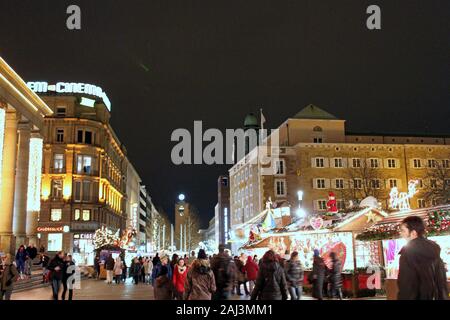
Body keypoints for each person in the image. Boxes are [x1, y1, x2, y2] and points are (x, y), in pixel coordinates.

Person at [397, 216, 448, 300]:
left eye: (403, 230)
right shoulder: (434, 250)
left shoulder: (408, 253)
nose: (401, 233)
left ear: (413, 233)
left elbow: (407, 285)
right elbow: (441, 281)